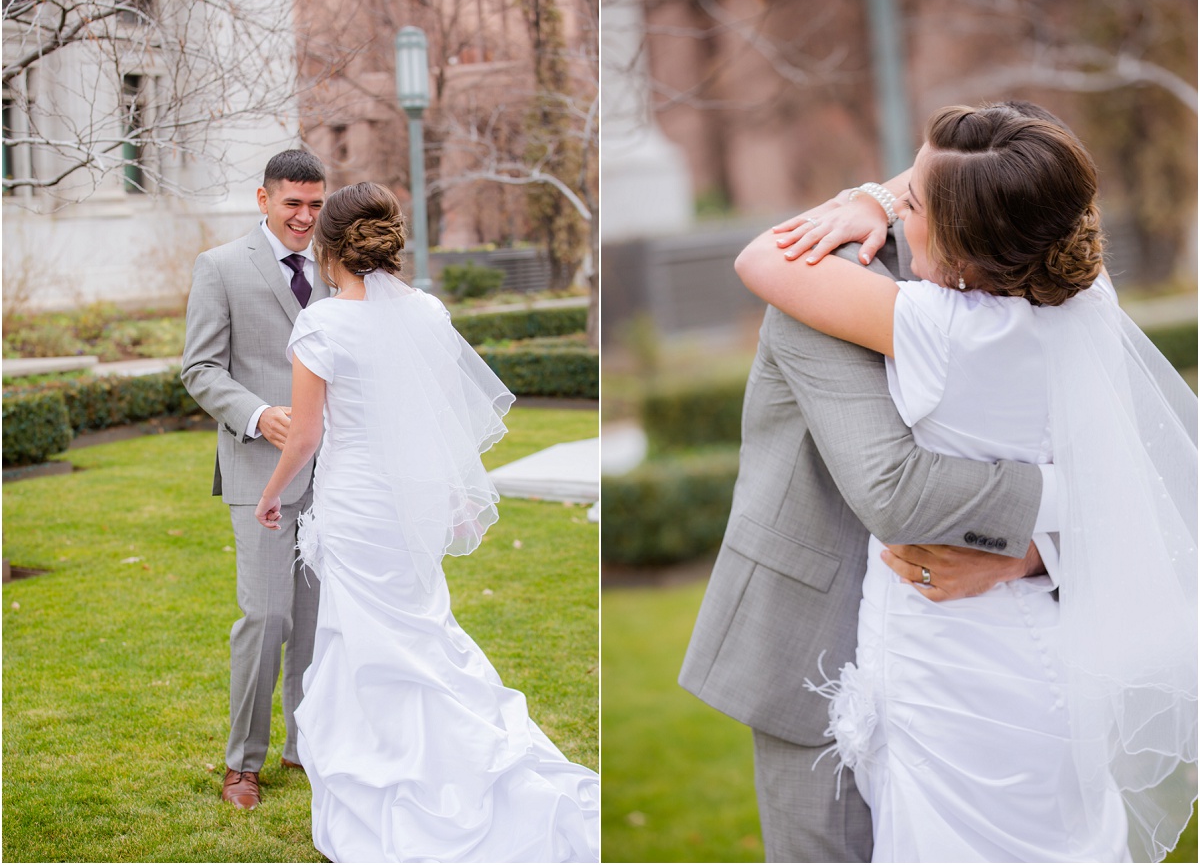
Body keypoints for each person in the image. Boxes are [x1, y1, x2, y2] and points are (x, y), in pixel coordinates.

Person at [734, 104, 1196, 861]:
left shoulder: (941, 328)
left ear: (957, 247)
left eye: (913, 203)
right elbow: (1003, 189)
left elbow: (762, 259)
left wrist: (863, 200)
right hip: (1036, 648)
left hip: (948, 665)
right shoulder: (1086, 301)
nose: (898, 206)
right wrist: (893, 197)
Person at [678, 104, 1063, 862]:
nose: (896, 199)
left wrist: (1032, 556)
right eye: (904, 188)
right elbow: (890, 488)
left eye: (911, 193)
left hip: (978, 654)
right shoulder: (819, 284)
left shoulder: (1045, 294)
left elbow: (1133, 474)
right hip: (813, 632)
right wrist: (873, 201)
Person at [253, 182, 600, 863]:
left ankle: (391, 781)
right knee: (418, 627)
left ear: (329, 247)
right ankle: (440, 763)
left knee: (364, 642)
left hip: (356, 506)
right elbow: (442, 417)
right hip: (408, 502)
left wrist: (272, 493)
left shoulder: (322, 325)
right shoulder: (430, 312)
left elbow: (305, 436)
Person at [182, 149, 329, 810]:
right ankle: (243, 764)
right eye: (293, 203)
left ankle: (307, 745)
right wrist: (257, 413)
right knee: (265, 618)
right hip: (259, 471)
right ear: (263, 199)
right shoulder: (220, 268)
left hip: (334, 477)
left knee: (317, 620)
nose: (305, 217)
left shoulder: (334, 267)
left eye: (316, 205)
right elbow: (200, 368)